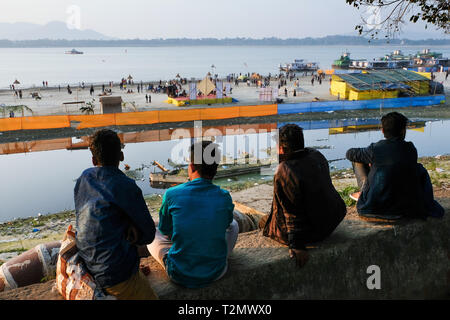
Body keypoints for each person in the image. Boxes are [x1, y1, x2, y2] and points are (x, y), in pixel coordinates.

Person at [74, 129, 158, 300]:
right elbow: (148, 234)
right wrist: (132, 228)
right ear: (121, 156)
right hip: (114, 277)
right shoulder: (125, 185)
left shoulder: (84, 177)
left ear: (93, 159)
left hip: (88, 265)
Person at [147, 141, 239, 289]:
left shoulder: (171, 194)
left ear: (192, 166)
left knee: (152, 234)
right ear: (215, 168)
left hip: (179, 273)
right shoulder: (224, 196)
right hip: (217, 271)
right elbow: (227, 225)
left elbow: (166, 232)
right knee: (234, 225)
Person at [260, 124, 346, 268]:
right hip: (332, 220)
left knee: (263, 222)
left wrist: (297, 246)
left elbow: (291, 213)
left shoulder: (285, 170)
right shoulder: (316, 155)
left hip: (312, 233)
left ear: (282, 148)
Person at [346, 112, 444, 220]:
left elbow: (349, 153)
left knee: (358, 160)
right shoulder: (410, 149)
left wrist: (371, 159)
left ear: (382, 131)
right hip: (405, 209)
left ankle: (364, 192)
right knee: (418, 168)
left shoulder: (375, 148)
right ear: (403, 131)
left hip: (373, 209)